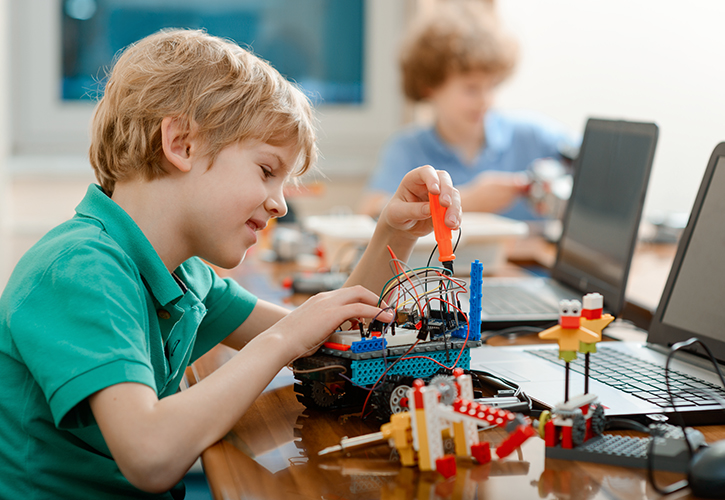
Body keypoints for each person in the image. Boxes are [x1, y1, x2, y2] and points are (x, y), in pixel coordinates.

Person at [0, 29, 461, 498]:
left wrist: (395, 233)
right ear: (181, 144)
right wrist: (280, 340)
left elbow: (321, 340)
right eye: (266, 170)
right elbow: (151, 455)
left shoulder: (180, 275)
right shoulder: (79, 269)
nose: (280, 204)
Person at [360, 0, 578, 220]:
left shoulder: (532, 136)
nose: (486, 101)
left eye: (491, 86)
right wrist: (467, 201)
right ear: (430, 87)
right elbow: (370, 212)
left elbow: (595, 162)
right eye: (471, 89)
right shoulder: (408, 149)